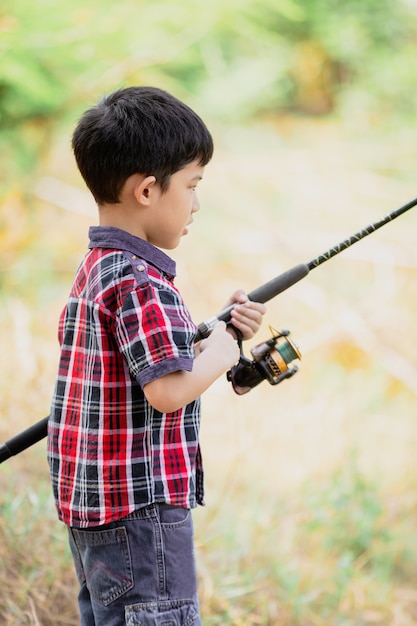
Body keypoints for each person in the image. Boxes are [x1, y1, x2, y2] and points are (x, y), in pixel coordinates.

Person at [47, 86, 266, 626]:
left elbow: (139, 358)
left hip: (96, 510)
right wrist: (218, 350)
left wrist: (214, 336)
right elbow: (166, 391)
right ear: (147, 190)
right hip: (141, 513)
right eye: (192, 186)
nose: (196, 203)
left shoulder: (99, 267)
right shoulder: (143, 282)